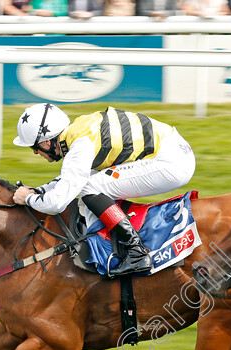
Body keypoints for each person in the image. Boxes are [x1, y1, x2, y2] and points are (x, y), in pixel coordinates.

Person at [12, 103, 196, 277]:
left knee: (91, 187)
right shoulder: (77, 132)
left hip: (172, 163)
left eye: (34, 148)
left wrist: (28, 198)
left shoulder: (79, 145)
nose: (36, 153)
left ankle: (136, 252)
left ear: (45, 143)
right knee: (91, 182)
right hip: (174, 151)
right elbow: (74, 175)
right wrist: (40, 190)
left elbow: (57, 204)